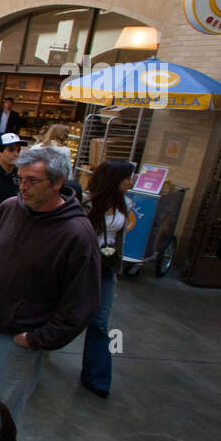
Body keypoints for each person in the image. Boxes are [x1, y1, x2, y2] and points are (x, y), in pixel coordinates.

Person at [0, 146, 102, 419]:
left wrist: (39, 338)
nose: (23, 187)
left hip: (18, 342)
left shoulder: (77, 234)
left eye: (32, 181)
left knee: (4, 413)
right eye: (20, 179)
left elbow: (82, 301)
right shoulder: (9, 208)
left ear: (58, 182)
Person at [80, 160, 135, 399]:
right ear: (115, 179)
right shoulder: (86, 204)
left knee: (100, 323)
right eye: (127, 177)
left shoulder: (126, 204)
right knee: (56, 314)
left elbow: (119, 238)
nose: (130, 182)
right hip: (81, 267)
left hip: (106, 268)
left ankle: (97, 378)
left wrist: (117, 268)